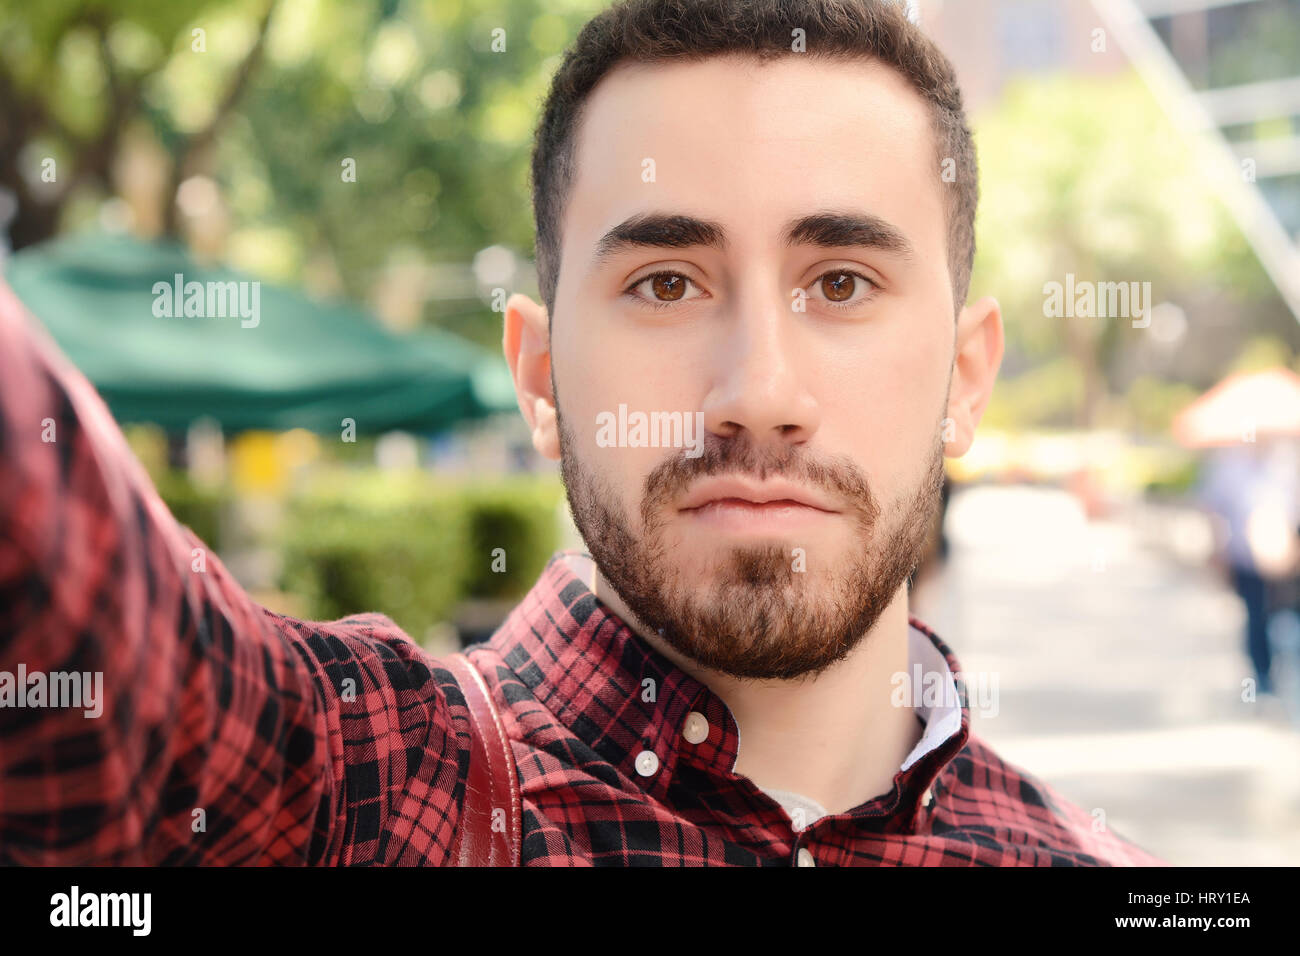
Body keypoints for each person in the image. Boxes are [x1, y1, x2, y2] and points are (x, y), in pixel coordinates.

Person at [0, 0, 1162, 865]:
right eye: (665, 282)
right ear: (542, 376)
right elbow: (108, 627)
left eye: (843, 281)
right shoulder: (356, 793)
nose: (757, 388)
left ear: (965, 377)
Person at [1197, 437, 1300, 699]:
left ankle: (1282, 668)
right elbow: (1213, 509)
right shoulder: (1229, 466)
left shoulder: (1286, 463)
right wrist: (1218, 550)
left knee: (1285, 615)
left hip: (1287, 559)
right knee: (1255, 617)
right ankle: (1262, 677)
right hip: (1244, 557)